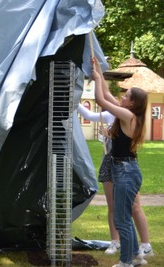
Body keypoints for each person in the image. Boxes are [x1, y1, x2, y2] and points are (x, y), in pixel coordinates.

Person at [91, 57, 148, 267]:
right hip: (125, 169)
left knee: (122, 219)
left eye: (127, 95)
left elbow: (101, 102)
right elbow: (106, 94)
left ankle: (126, 262)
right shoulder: (128, 114)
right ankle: (135, 255)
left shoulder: (127, 115)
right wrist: (98, 69)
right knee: (124, 216)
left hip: (125, 171)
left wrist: (97, 79)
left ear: (132, 103)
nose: (122, 96)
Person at [77, 104, 154, 257]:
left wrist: (108, 135)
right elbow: (89, 115)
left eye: (125, 97)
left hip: (125, 164)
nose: (121, 99)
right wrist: (74, 99)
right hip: (109, 161)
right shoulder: (109, 115)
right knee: (112, 206)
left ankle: (146, 246)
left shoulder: (128, 116)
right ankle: (115, 241)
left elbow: (125, 141)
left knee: (134, 207)